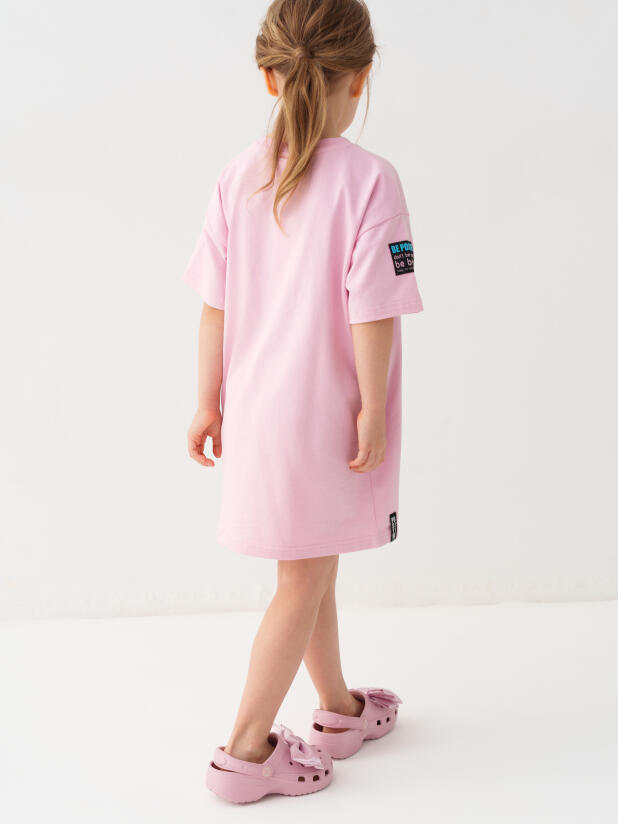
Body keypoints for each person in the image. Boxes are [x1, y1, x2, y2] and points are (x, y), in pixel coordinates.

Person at [182, 0, 423, 804]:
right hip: (325, 416)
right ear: (360, 78)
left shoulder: (236, 174)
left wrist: (207, 401)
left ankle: (339, 708)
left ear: (269, 77)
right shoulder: (371, 179)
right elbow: (373, 309)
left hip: (256, 413)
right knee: (302, 578)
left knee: (310, 563)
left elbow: (214, 305)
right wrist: (372, 410)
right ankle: (246, 751)